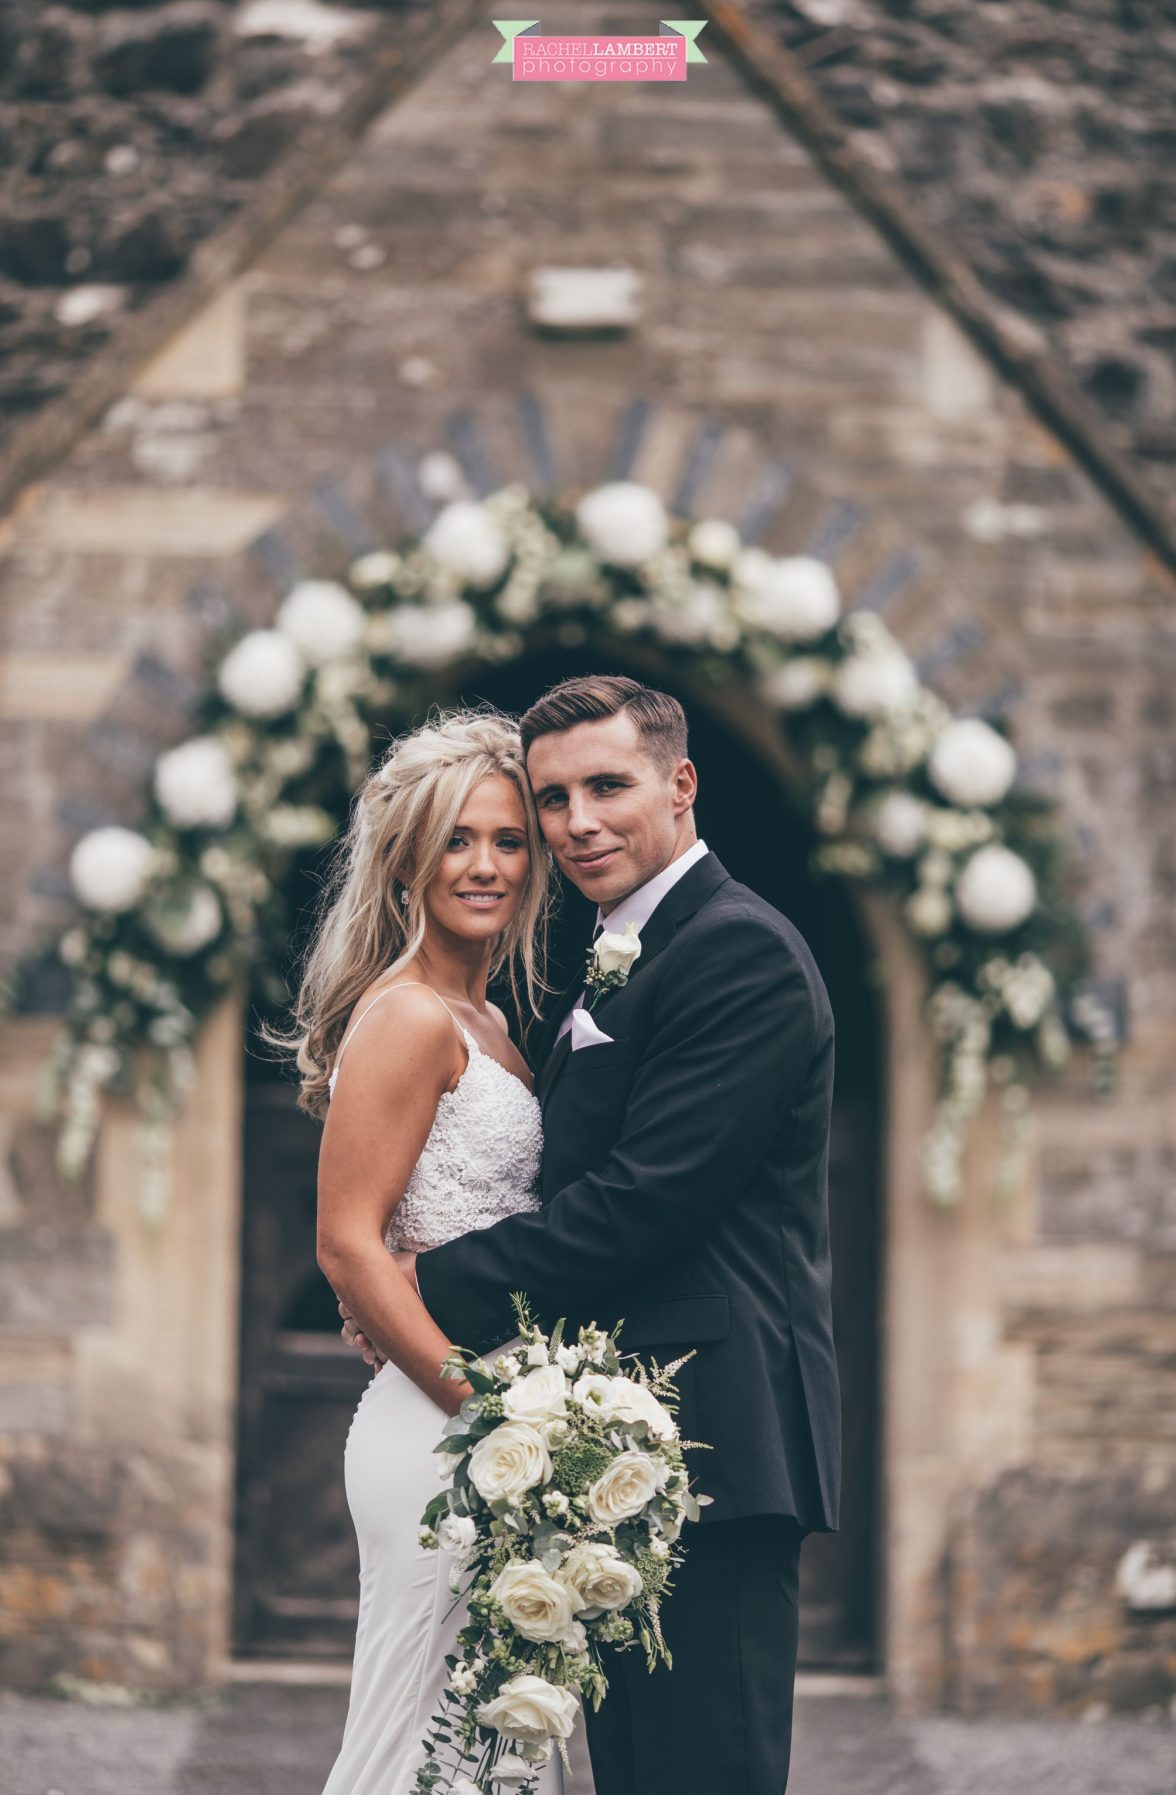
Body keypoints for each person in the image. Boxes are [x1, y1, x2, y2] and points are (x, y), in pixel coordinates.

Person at [342, 674, 841, 1795]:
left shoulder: (737, 952)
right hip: (610, 1451)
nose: (578, 823)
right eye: (554, 798)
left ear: (682, 784)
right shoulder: (624, 954)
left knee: (700, 1768)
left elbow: (642, 1203)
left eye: (607, 787)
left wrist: (422, 1282)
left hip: (710, 1438)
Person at [279, 707, 561, 1795]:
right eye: (457, 839)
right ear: (407, 862)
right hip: (437, 1427)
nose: (485, 865)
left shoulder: (487, 1020)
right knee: (421, 1741)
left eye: (506, 840)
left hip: (486, 1421)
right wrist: (484, 1414)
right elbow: (347, 1244)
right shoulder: (406, 1018)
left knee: (488, 1747)